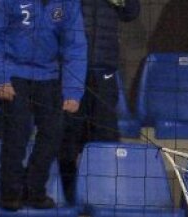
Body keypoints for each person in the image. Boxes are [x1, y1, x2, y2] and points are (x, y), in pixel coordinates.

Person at [0, 0, 86, 211]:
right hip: (14, 72)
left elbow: (75, 46)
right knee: (16, 133)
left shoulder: (68, 3)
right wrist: (0, 78)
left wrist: (73, 91)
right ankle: (10, 193)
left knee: (54, 132)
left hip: (49, 74)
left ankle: (35, 190)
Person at [59, 0, 139, 204]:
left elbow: (131, 12)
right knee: (68, 138)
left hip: (105, 70)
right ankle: (66, 198)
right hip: (70, 69)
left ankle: (103, 197)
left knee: (106, 139)